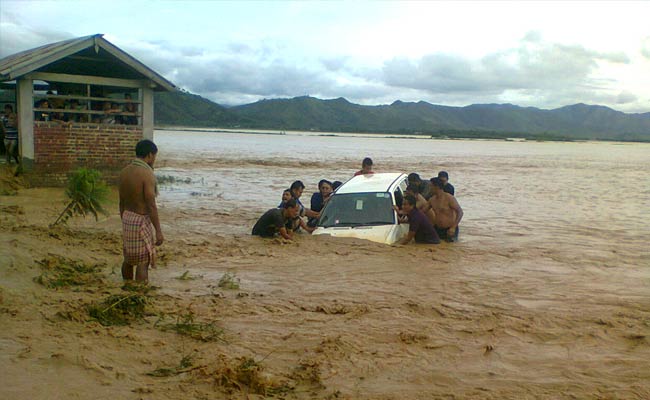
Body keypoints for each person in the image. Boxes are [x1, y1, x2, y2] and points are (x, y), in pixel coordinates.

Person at [118, 139, 163, 283]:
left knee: (128, 259)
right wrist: (158, 231)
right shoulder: (146, 174)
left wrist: (124, 219)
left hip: (127, 217)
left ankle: (127, 285)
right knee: (143, 261)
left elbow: (121, 201)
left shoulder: (124, 172)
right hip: (140, 220)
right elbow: (151, 205)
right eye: (154, 156)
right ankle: (139, 291)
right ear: (150, 155)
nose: (154, 160)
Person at [429, 177, 463, 242]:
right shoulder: (432, 200)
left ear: (436, 187)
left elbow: (460, 212)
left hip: (450, 229)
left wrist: (453, 227)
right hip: (438, 229)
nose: (429, 188)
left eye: (431, 186)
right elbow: (422, 211)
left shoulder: (449, 198)